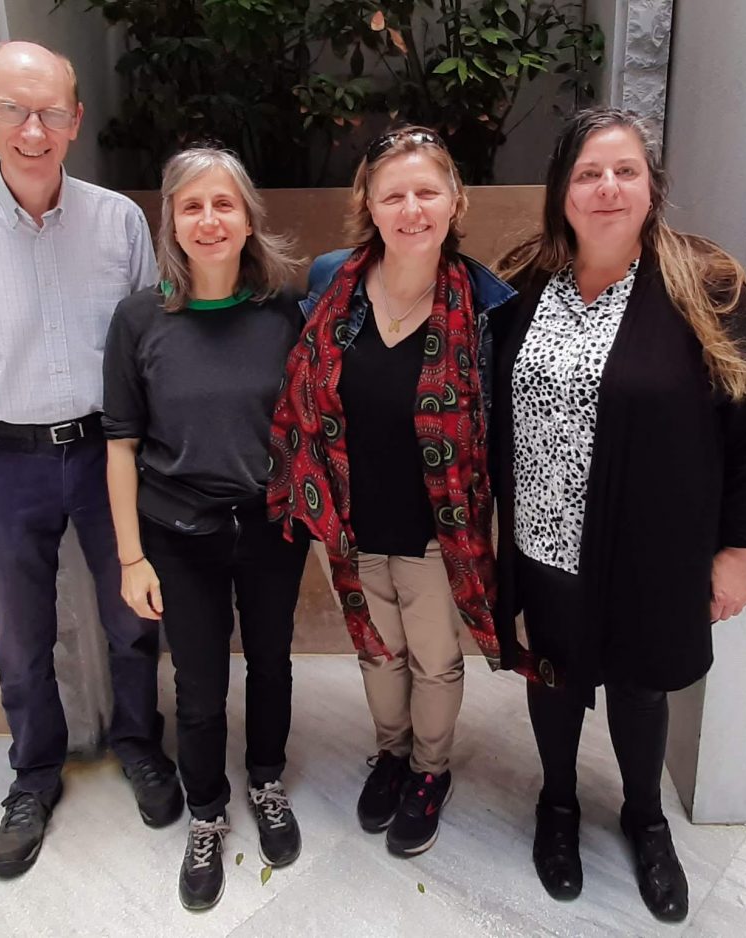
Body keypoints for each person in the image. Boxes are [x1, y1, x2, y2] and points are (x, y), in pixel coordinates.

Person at [490, 107, 746, 922]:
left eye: (625, 170)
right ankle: (556, 807)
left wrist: (740, 548)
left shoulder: (705, 284)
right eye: (588, 173)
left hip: (654, 544)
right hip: (544, 541)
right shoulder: (521, 285)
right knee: (550, 676)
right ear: (561, 193)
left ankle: (644, 817)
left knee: (641, 686)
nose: (607, 187)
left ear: (653, 188)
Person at [0, 41, 181, 879]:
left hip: (107, 454)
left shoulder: (118, 221)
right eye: (14, 110)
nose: (34, 130)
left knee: (134, 618)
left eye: (51, 111)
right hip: (2, 463)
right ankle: (32, 773)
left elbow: (146, 348)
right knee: (19, 636)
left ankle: (140, 743)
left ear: (75, 119)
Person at [267, 127, 516, 858]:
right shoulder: (329, 282)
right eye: (394, 194)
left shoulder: (487, 305)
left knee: (434, 658)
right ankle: (391, 753)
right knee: (378, 653)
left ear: (455, 201)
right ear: (369, 206)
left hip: (441, 526)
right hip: (348, 517)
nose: (412, 208)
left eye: (427, 192)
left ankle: (430, 771)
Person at [101, 145, 309, 912]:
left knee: (273, 663)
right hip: (175, 532)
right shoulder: (137, 320)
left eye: (224, 204)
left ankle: (265, 780)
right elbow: (119, 445)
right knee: (196, 683)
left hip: (270, 527)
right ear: (172, 222)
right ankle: (207, 811)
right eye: (192, 206)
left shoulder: (284, 314)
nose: (210, 219)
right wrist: (131, 557)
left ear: (249, 216)